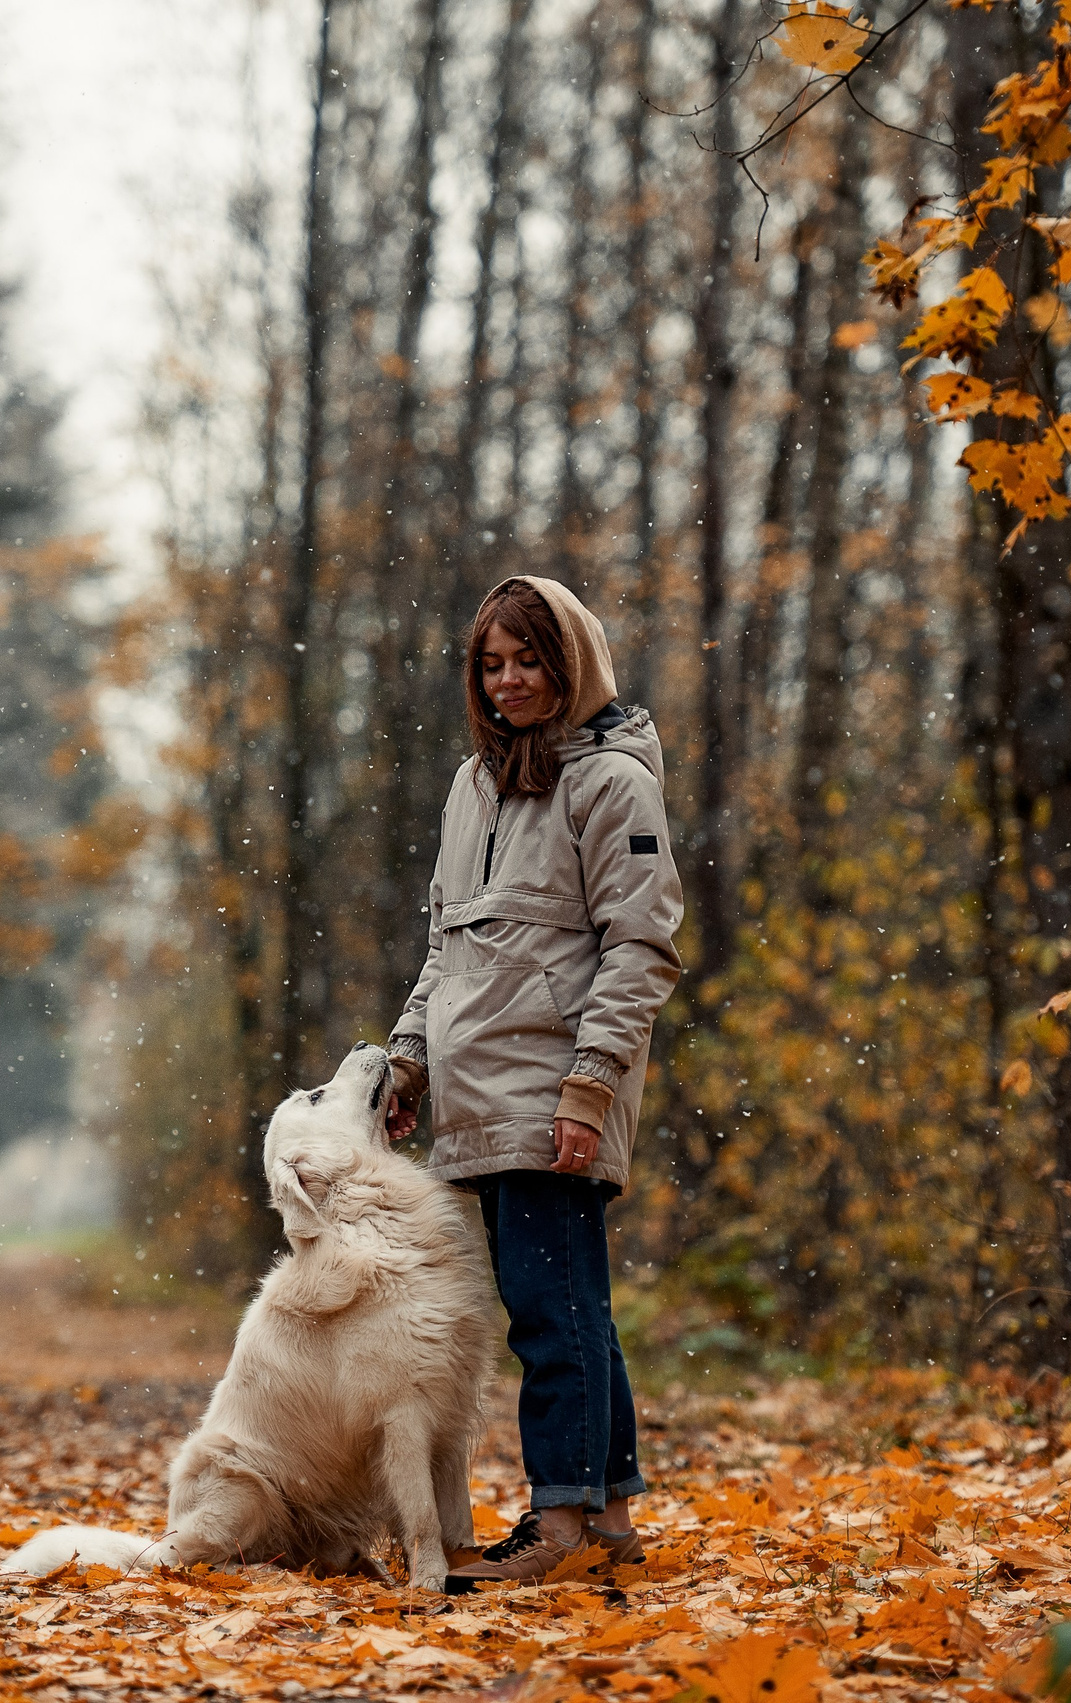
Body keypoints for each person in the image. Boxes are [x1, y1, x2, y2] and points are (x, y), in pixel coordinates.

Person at [383, 575, 685, 1588]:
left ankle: (559, 1524)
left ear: (574, 662)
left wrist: (589, 1084)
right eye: (493, 663)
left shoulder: (614, 785)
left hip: (552, 1085)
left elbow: (640, 947)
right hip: (481, 1090)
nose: (510, 680)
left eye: (530, 659)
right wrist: (407, 1055)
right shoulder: (473, 787)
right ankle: (606, 1516)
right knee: (571, 1304)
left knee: (549, 1310)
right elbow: (448, 948)